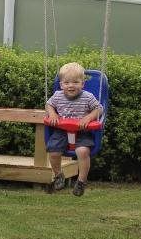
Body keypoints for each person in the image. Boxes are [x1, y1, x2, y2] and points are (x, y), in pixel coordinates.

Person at [44, 62, 103, 196]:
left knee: (82, 152)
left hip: (82, 131)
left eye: (75, 82)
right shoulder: (57, 96)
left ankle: (81, 181)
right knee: (53, 152)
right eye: (66, 82)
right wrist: (52, 114)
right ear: (61, 84)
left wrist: (88, 118)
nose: (71, 85)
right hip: (61, 131)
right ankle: (58, 175)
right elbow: (49, 105)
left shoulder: (87, 97)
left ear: (82, 84)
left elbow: (99, 109)